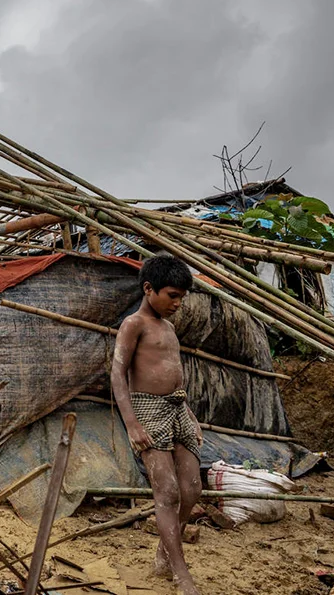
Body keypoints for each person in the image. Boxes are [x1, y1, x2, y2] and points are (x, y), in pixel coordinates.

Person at [111, 253, 203, 595]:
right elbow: (118, 374)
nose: (178, 303)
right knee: (166, 492)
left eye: (182, 296)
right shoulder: (133, 325)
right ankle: (181, 576)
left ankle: (165, 552)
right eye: (172, 295)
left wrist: (190, 415)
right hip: (148, 410)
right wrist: (132, 423)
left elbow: (175, 377)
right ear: (149, 289)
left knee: (192, 489)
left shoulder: (169, 328)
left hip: (177, 408)